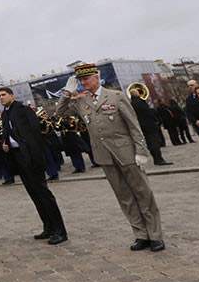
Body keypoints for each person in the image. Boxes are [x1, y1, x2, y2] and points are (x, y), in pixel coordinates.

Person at [57, 64, 164, 251]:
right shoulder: (82, 101)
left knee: (143, 194)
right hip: (104, 156)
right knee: (124, 197)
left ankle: (155, 235)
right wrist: (67, 92)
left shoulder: (116, 96)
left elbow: (133, 126)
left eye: (86, 78)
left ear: (97, 77)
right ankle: (140, 235)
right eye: (80, 80)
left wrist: (141, 151)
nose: (83, 83)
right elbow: (60, 112)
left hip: (126, 153)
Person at [0, 87, 67, 244]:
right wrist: (5, 143)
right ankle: (48, 227)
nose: (1, 98)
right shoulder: (5, 113)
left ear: (12, 96)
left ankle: (60, 230)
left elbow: (35, 134)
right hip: (18, 157)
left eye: (4, 95)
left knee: (44, 194)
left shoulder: (23, 110)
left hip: (31, 157)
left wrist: (36, 158)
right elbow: (8, 133)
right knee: (34, 195)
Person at [129, 90, 171, 166]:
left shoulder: (131, 104)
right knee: (154, 141)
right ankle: (159, 159)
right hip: (149, 124)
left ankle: (156, 158)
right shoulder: (141, 102)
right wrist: (155, 119)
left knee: (149, 142)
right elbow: (148, 112)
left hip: (141, 125)